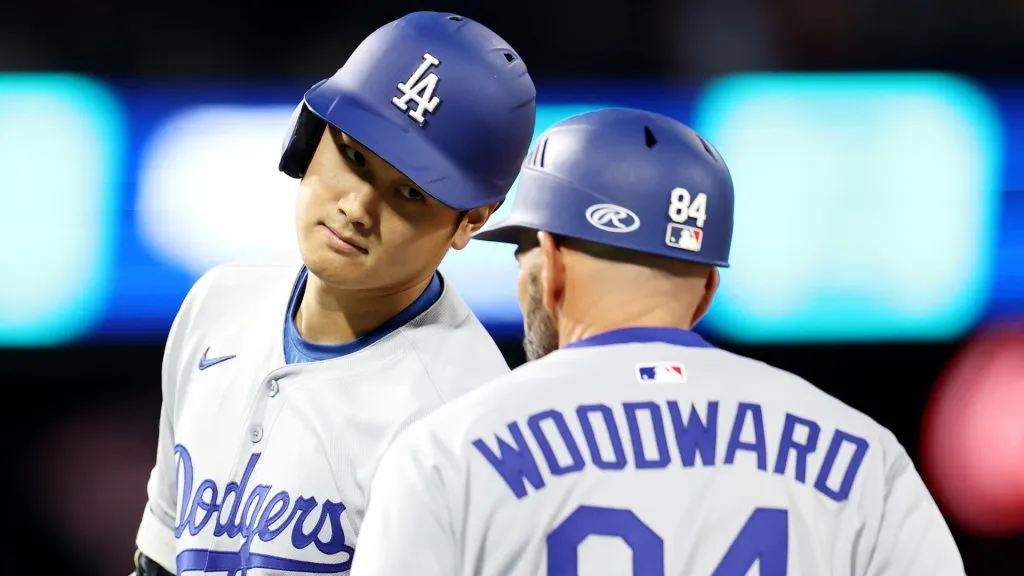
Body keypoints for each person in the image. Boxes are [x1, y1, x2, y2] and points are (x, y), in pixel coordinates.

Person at [349, 108, 966, 575]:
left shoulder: (446, 452)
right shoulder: (863, 456)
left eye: (523, 256)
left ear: (553, 264)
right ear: (706, 291)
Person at [131, 11, 536, 575]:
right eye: (353, 155)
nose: (357, 208)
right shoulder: (218, 304)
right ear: (310, 134)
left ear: (471, 220)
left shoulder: (466, 417)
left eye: (410, 192)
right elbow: (159, 560)